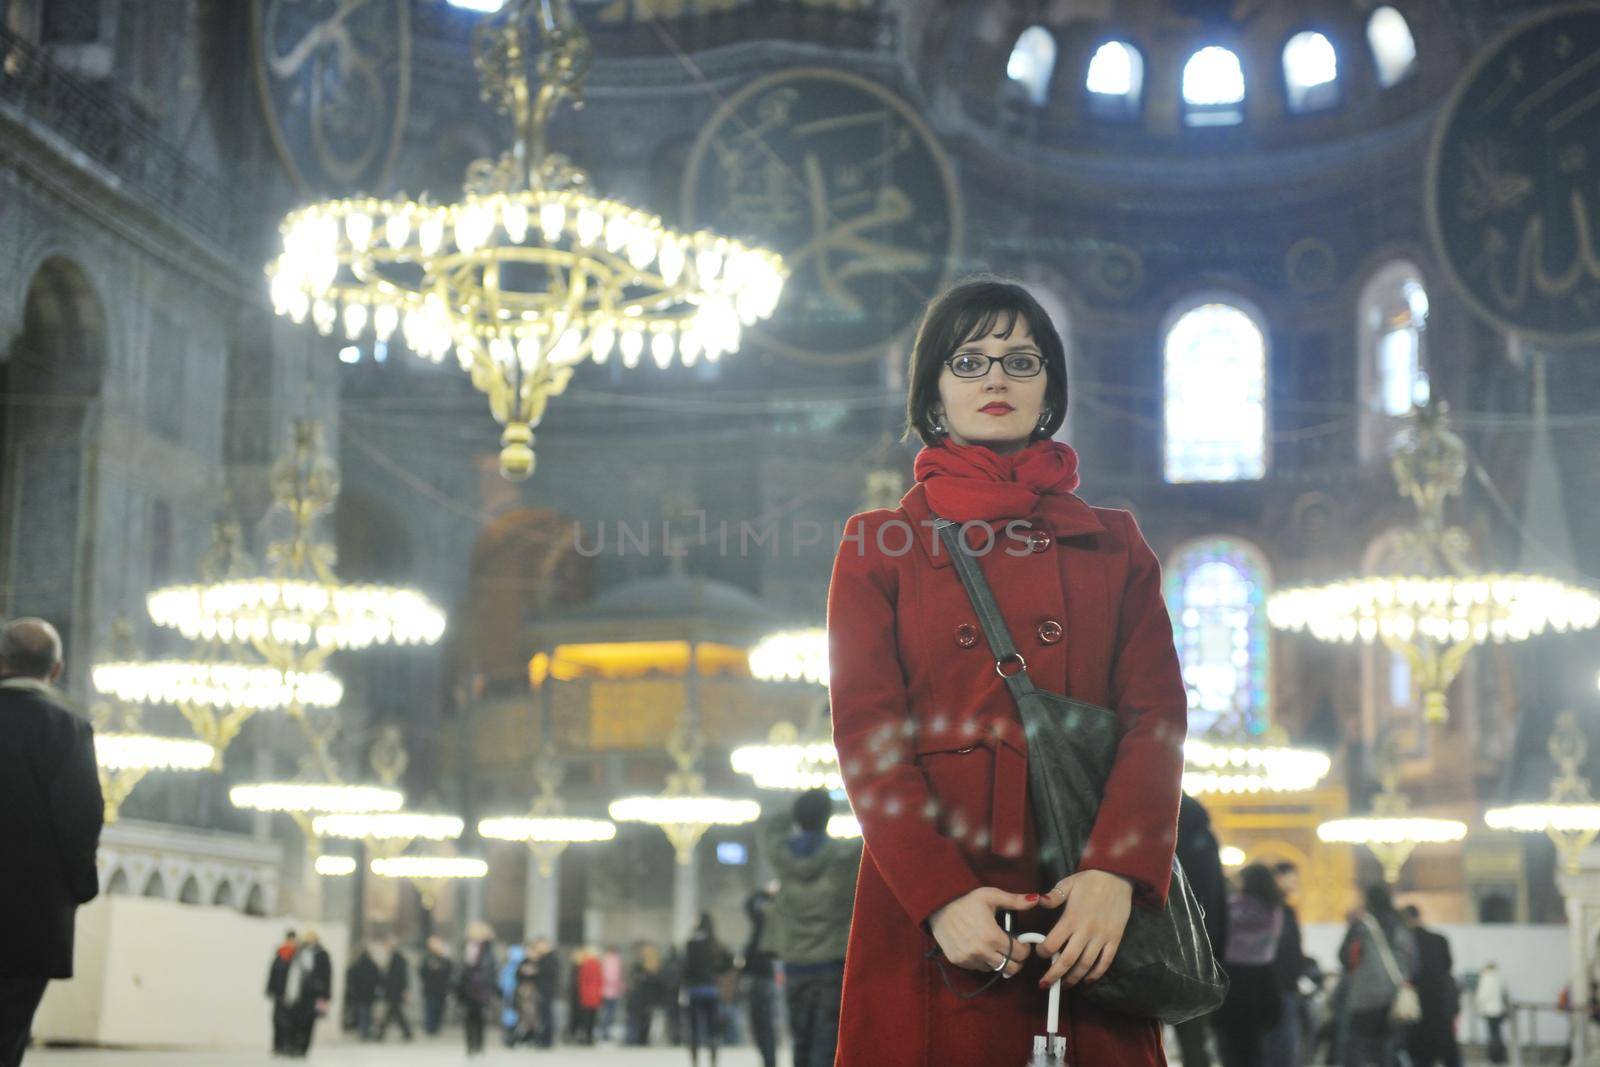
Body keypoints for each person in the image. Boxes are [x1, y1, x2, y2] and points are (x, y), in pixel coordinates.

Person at [827, 279, 1188, 1066]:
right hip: (933, 909)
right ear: (934, 391)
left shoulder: (1115, 544)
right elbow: (866, 736)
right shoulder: (878, 544)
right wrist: (941, 897)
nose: (996, 378)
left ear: (1049, 390)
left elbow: (1155, 723)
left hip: (1084, 911)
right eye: (970, 360)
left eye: (1020, 361)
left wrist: (1117, 876)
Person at [0, 618, 103, 1067]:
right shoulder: (66, 729)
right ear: (56, 670)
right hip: (30, 920)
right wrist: (78, 889)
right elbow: (81, 821)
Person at [758, 788, 861, 1067]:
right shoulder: (844, 858)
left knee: (800, 1040)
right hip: (831, 964)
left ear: (797, 818)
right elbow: (876, 832)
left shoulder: (781, 857)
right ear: (827, 817)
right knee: (826, 1041)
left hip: (793, 965)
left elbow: (770, 829)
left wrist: (792, 808)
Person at [1171, 794, 1228, 1067]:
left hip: (1147, 948)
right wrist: (1215, 954)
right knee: (1194, 1043)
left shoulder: (1154, 831)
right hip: (1196, 955)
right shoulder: (1205, 839)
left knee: (1137, 1040)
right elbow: (1218, 902)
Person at [1213, 864, 1286, 1067]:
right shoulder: (1275, 909)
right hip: (1263, 979)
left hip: (1232, 978)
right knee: (1256, 1045)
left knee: (1231, 1044)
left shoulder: (1231, 905)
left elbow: (1219, 936)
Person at [1338, 883, 1417, 1067]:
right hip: (1394, 997)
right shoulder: (1401, 924)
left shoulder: (1362, 925)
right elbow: (1413, 961)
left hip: (1364, 996)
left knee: (1359, 1045)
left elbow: (1344, 956)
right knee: (1387, 1046)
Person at [1401, 905, 1460, 1067]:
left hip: (1417, 1005)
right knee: (1448, 1050)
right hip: (1440, 1003)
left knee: (1420, 1055)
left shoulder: (1405, 942)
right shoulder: (1440, 939)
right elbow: (1448, 966)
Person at [1265, 862, 1311, 1066]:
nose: (1295, 884)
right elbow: (1290, 950)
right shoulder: (1280, 911)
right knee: (1284, 1044)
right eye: (1291, 879)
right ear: (1278, 878)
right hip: (1282, 986)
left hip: (1273, 985)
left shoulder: (1270, 909)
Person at [683, 913, 734, 1067]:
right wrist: (718, 971)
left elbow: (685, 967)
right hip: (712, 990)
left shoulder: (690, 944)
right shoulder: (716, 944)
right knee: (713, 1029)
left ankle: (695, 1062)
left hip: (694, 990)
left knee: (694, 1029)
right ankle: (713, 1062)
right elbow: (730, 961)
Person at [742, 887, 779, 1067]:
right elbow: (749, 905)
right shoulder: (765, 922)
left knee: (762, 1023)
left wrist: (765, 893)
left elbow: (749, 905)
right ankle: (768, 1061)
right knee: (761, 1024)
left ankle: (769, 1062)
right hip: (761, 977)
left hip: (761, 978)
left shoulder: (770, 923)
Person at [283, 929, 332, 1058]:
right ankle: (294, 1046)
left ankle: (303, 1048)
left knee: (309, 1023)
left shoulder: (322, 955)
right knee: (296, 1021)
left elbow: (327, 976)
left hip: (315, 995)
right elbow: (293, 974)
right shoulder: (299, 953)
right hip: (300, 995)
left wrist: (325, 996)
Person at [458, 922, 498, 1056]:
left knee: (480, 1016)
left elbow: (491, 969)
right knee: (468, 1017)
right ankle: (470, 1045)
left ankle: (479, 1045)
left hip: (482, 988)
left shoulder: (489, 949)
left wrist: (488, 984)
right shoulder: (465, 947)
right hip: (468, 987)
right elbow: (462, 968)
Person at [375, 936, 414, 1042]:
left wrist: (405, 990)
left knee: (392, 1013)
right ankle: (407, 1033)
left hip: (395, 991)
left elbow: (402, 976)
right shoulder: (393, 958)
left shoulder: (398, 959)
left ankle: (381, 1035)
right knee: (395, 1013)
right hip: (393, 991)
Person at [265, 930, 298, 1056]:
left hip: (291, 995)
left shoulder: (297, 956)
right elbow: (272, 973)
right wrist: (270, 989)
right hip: (279, 993)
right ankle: (277, 1045)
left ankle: (287, 1044)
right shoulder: (280, 954)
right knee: (277, 1020)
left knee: (289, 1022)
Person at [345, 943, 383, 1041]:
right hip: (370, 994)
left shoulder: (357, 965)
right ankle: (368, 1031)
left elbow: (351, 978)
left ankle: (363, 1032)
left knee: (362, 1013)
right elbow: (379, 978)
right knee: (369, 1014)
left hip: (360, 994)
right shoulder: (373, 965)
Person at [419, 936, 454, 1036]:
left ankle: (436, 1028)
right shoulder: (427, 958)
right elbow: (422, 972)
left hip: (442, 989)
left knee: (440, 1009)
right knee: (430, 1008)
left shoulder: (444, 959)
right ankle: (430, 1028)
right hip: (430, 989)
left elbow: (450, 970)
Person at [1475, 961, 1509, 1064]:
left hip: (1489, 1011)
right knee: (1498, 1034)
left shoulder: (1485, 978)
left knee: (1491, 1035)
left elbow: (1482, 996)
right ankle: (1501, 1057)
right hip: (1499, 1011)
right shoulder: (1500, 978)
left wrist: (1478, 1007)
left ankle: (1493, 1057)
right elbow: (1504, 994)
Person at [574, 946, 603, 1044]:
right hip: (595, 995)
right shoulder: (597, 966)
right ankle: (590, 1037)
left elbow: (582, 981)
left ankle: (586, 1037)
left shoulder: (585, 965)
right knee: (593, 1017)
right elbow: (600, 981)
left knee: (586, 1017)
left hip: (586, 994)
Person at [600, 945, 625, 1043]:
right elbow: (614, 977)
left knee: (607, 1013)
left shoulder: (604, 960)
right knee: (609, 1013)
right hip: (612, 992)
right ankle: (605, 1033)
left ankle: (605, 1032)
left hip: (605, 991)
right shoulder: (614, 961)